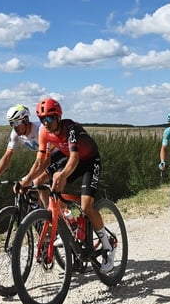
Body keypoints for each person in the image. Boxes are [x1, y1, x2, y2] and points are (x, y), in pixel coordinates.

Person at [17, 97, 115, 273]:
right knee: (46, 182)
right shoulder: (44, 133)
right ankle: (66, 220)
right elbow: (42, 161)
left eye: (48, 119)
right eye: (41, 120)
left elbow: (75, 158)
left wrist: (62, 175)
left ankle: (108, 247)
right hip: (72, 161)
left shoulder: (69, 128)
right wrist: (26, 180)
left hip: (89, 161)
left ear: (58, 117)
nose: (45, 123)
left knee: (86, 205)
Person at [0, 104, 64, 205]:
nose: (15, 127)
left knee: (37, 181)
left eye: (17, 122)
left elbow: (45, 161)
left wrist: (28, 179)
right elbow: (7, 156)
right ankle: (39, 215)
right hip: (43, 160)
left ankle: (49, 216)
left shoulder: (40, 130)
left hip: (59, 156)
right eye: (11, 123)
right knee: (29, 188)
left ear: (26, 120)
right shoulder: (15, 134)